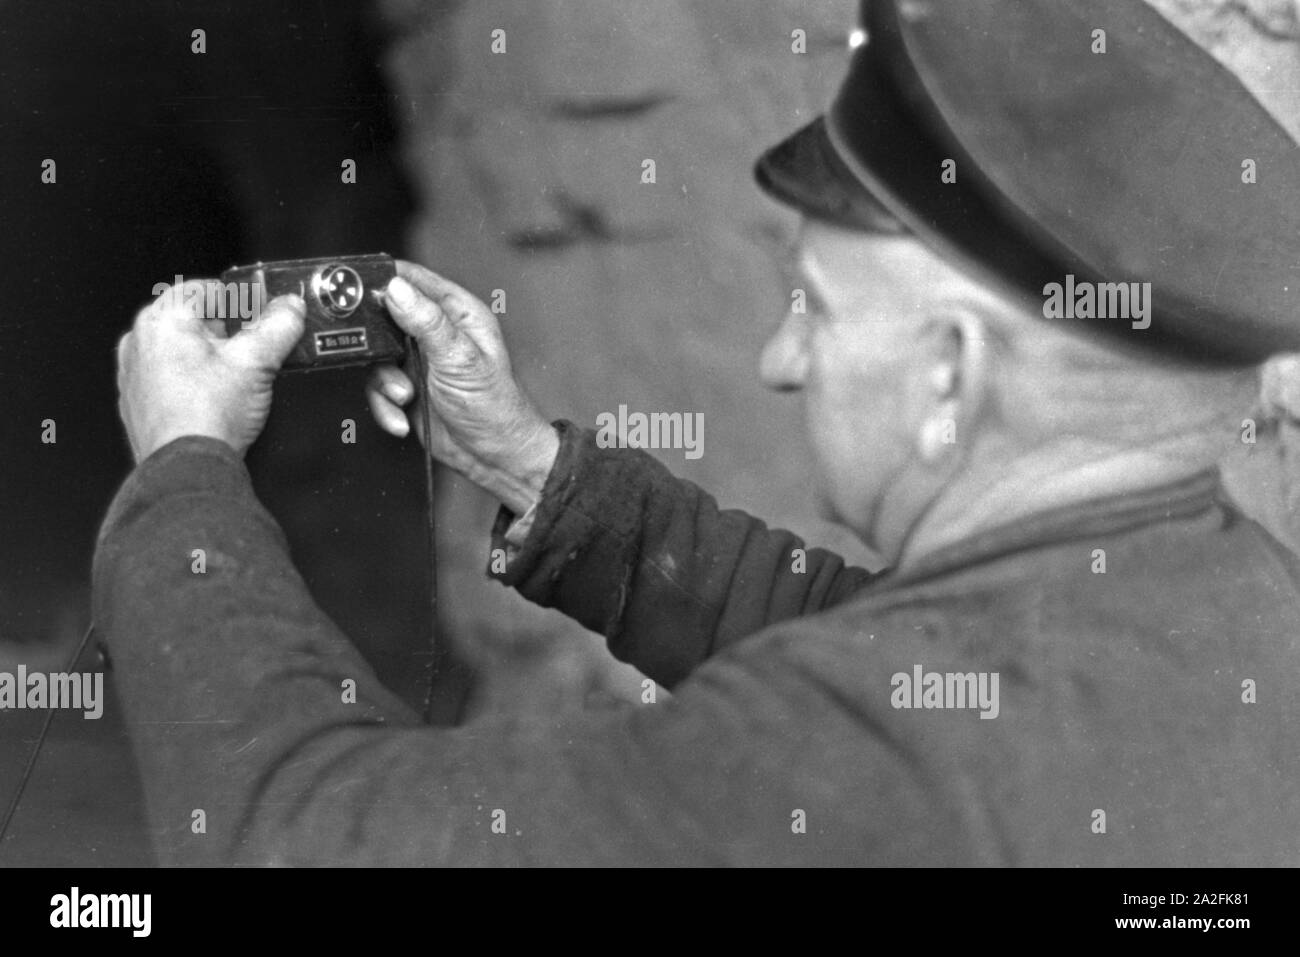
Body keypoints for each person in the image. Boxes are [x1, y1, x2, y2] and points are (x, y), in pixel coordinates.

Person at [99, 0, 1300, 865]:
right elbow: (890, 645)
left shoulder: (831, 767)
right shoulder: (1235, 604)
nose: (781, 361)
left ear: (950, 371)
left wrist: (185, 473)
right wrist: (535, 467)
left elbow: (293, 836)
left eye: (814, 312)